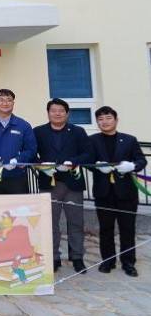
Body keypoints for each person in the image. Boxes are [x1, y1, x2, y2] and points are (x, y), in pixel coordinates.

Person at [34, 99, 94, 274]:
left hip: (72, 183)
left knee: (76, 222)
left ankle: (77, 257)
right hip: (48, 183)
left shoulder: (78, 131)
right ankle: (53, 258)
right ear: (48, 113)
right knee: (50, 223)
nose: (57, 113)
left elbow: (88, 154)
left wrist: (73, 162)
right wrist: (41, 164)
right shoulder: (38, 131)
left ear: (67, 114)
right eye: (54, 110)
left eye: (61, 110)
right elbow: (30, 152)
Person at [90, 106, 147, 277]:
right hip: (103, 192)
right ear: (97, 122)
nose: (104, 122)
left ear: (116, 120)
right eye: (100, 119)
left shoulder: (129, 140)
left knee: (127, 229)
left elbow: (141, 160)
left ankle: (128, 262)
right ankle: (108, 261)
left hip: (126, 193)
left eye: (108, 118)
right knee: (105, 229)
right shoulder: (92, 140)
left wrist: (132, 166)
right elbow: (87, 161)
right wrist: (97, 167)